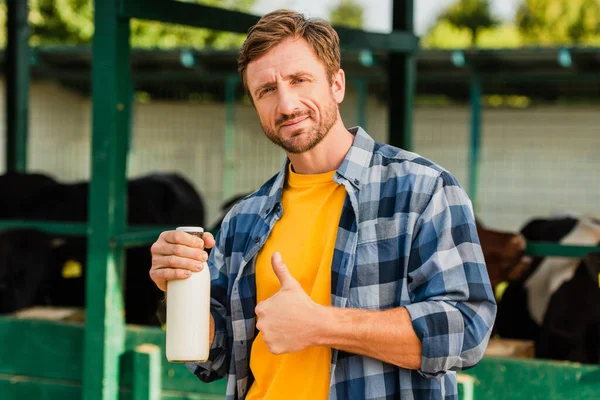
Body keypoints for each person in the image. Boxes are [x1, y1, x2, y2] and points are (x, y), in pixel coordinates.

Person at [149, 9, 496, 400]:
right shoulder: (244, 219)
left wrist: (321, 325)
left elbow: (467, 330)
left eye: (300, 80)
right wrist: (177, 287)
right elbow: (217, 357)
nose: (286, 104)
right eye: (266, 90)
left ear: (336, 84)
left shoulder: (421, 190)